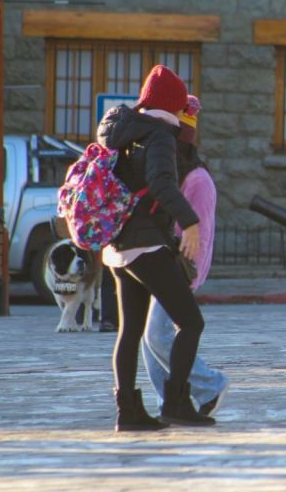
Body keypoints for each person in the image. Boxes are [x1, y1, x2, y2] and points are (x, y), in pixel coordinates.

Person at [99, 64, 214, 430]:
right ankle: (177, 402)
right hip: (146, 244)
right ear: (170, 105)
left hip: (118, 245)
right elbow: (163, 185)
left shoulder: (123, 131)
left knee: (129, 330)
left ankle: (128, 412)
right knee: (191, 322)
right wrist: (191, 223)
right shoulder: (160, 136)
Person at [141, 95, 230, 417]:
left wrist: (189, 275)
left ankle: (210, 384)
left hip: (178, 268)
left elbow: (200, 238)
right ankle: (169, 402)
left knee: (156, 334)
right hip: (153, 262)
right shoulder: (166, 175)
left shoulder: (198, 180)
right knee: (150, 338)